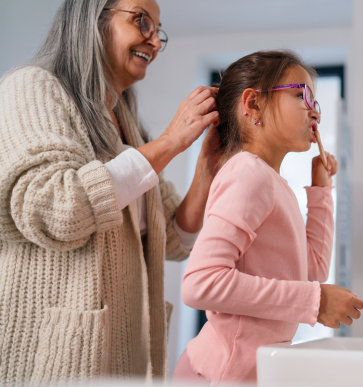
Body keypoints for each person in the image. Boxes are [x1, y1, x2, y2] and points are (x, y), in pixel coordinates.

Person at [0, 0, 220, 384]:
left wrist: (205, 164)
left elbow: (172, 238)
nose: (154, 42)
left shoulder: (127, 125)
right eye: (142, 22)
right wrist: (170, 142)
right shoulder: (31, 87)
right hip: (53, 356)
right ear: (91, 19)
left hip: (124, 356)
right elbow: (57, 209)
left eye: (158, 30)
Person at [174, 50, 363, 384]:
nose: (314, 110)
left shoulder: (274, 184)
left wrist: (320, 191)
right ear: (253, 104)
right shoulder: (249, 174)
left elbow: (311, 269)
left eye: (315, 101)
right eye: (301, 94)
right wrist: (314, 302)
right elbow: (200, 283)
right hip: (215, 376)